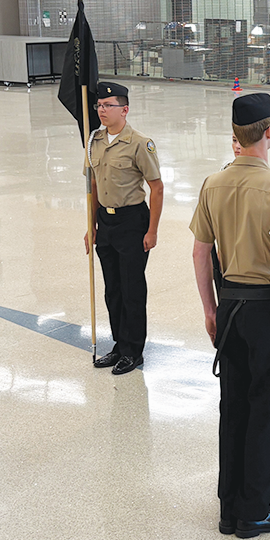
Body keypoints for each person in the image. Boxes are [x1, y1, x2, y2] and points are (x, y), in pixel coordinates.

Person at [190, 93, 270, 538]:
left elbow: (202, 253)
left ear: (236, 135)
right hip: (265, 312)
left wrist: (209, 310)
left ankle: (228, 508)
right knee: (265, 411)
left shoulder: (212, 184)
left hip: (230, 310)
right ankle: (254, 510)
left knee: (233, 408)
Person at [84, 82, 164, 375]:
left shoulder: (140, 143)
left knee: (131, 288)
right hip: (105, 221)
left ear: (125, 110)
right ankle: (119, 344)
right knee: (112, 289)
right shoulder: (94, 141)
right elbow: (92, 184)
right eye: (99, 105)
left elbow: (157, 188)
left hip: (132, 222)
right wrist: (91, 225)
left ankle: (133, 350)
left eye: (108, 105)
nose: (102, 110)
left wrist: (152, 231)